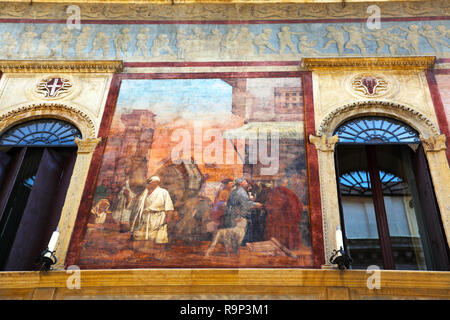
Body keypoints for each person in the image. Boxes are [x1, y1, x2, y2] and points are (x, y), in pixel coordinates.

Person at [129, 176, 174, 246]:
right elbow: (135, 205)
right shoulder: (143, 193)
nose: (151, 184)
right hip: (145, 217)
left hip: (158, 217)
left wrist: (168, 218)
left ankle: (157, 251)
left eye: (153, 182)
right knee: (143, 237)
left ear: (157, 183)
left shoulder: (163, 192)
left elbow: (169, 206)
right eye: (149, 183)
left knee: (157, 237)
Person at [221, 177, 263, 244]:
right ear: (241, 183)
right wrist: (257, 204)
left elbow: (240, 202)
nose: (247, 183)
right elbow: (246, 204)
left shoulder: (234, 191)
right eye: (245, 182)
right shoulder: (241, 192)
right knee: (242, 237)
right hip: (239, 218)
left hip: (232, 217)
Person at [264, 180, 303, 250]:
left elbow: (271, 206)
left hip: (279, 220)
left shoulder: (276, 192)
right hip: (288, 220)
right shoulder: (290, 193)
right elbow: (298, 206)